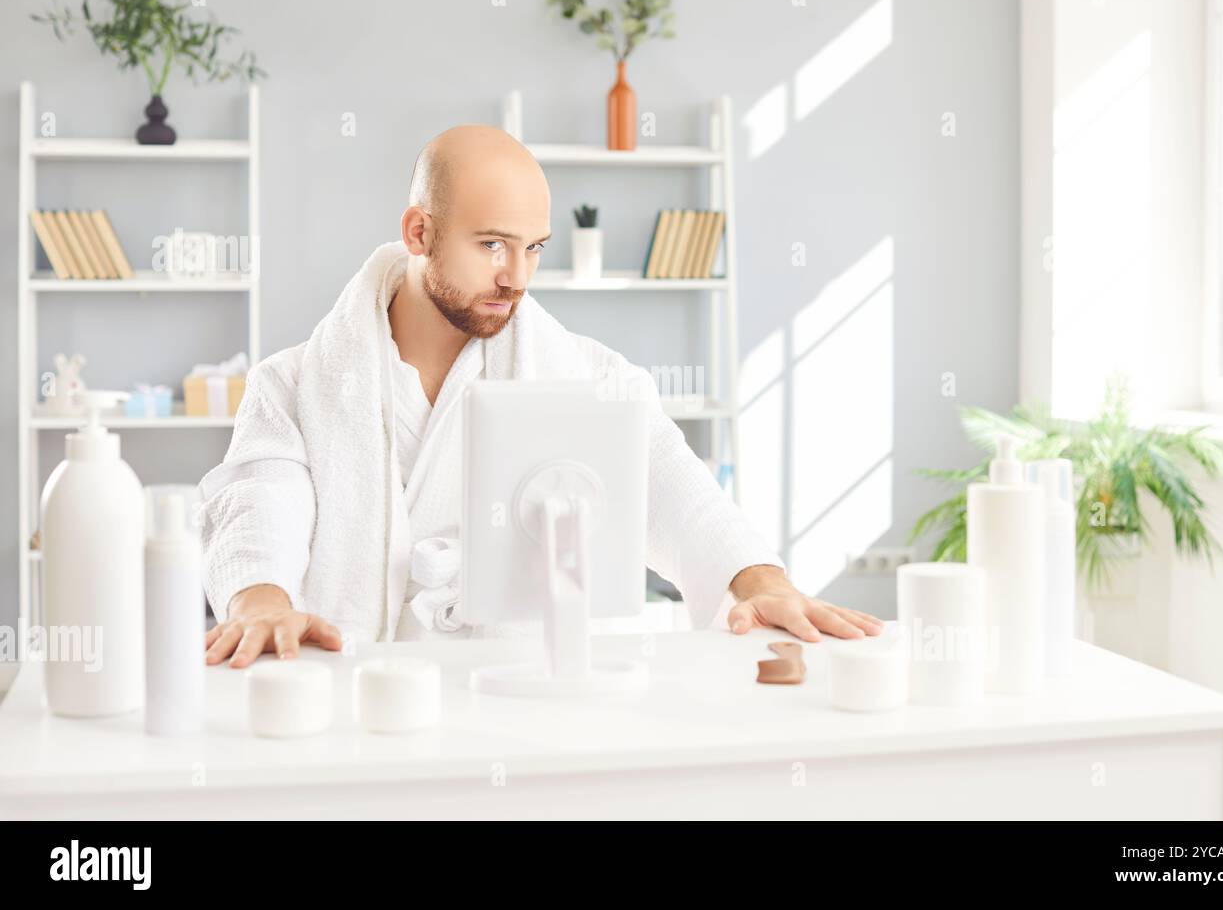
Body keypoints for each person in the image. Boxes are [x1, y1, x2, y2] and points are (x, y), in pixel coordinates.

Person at [199, 125, 882, 668]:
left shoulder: (589, 378)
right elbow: (261, 504)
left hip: (522, 705)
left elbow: (674, 489)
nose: (516, 277)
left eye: (533, 248)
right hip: (352, 706)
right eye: (492, 244)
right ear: (419, 232)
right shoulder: (293, 385)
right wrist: (260, 601)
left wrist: (760, 580)